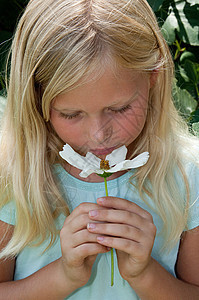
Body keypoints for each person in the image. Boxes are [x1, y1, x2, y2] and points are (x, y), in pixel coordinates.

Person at [0, 0, 199, 299]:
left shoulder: (187, 175)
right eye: (71, 114)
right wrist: (64, 276)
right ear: (36, 99)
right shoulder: (13, 176)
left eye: (119, 109)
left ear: (153, 78)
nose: (99, 134)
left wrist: (145, 275)